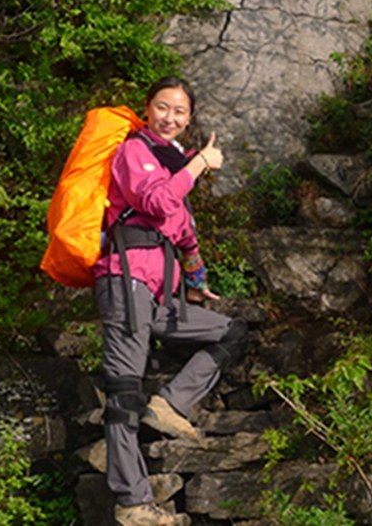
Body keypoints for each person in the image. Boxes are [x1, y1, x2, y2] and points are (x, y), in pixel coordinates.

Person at [93, 76, 248, 526]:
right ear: (147, 108)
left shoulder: (172, 161)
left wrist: (196, 280)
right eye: (163, 108)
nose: (171, 118)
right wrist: (200, 163)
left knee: (231, 331)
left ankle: (170, 404)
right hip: (125, 284)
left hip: (159, 293)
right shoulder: (134, 152)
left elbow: (182, 231)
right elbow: (159, 202)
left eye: (180, 112)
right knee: (123, 393)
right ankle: (133, 502)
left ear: (189, 118)